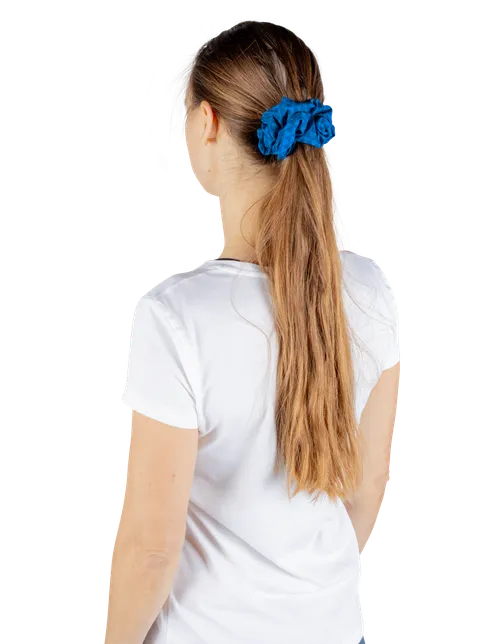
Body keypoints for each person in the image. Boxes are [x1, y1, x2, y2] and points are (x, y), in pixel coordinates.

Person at [114, 18, 400, 644]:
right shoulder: (372, 292)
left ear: (209, 123)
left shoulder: (177, 316)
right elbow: (364, 500)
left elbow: (150, 551)